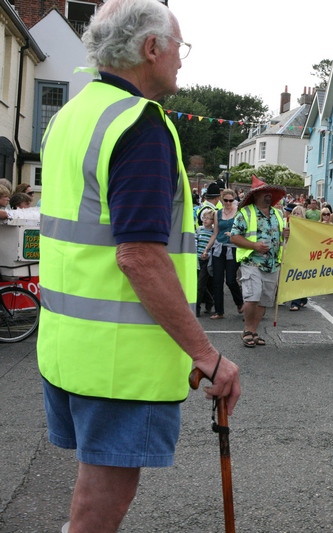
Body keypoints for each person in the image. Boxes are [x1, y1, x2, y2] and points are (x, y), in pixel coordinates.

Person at [36, 1, 241, 531]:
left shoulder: (68, 116)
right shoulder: (140, 124)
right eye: (179, 47)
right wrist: (207, 355)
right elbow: (140, 257)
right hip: (119, 361)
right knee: (101, 505)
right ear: (151, 48)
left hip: (66, 348)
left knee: (92, 490)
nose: (182, 60)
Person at [229, 177, 288, 347]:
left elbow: (282, 238)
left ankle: (254, 331)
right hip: (252, 262)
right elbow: (234, 237)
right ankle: (247, 330)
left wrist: (286, 235)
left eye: (270, 192)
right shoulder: (245, 213)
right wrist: (254, 245)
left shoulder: (278, 214)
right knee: (252, 296)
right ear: (255, 195)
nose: (268, 195)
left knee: (264, 300)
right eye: (264, 192)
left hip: (273, 264)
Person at [208, 188, 244, 320]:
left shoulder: (239, 212)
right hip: (219, 248)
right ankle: (219, 311)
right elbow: (215, 233)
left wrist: (233, 234)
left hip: (233, 248)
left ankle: (240, 303)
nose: (228, 203)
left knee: (230, 280)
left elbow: (243, 229)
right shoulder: (218, 213)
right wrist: (206, 249)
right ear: (221, 200)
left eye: (231, 200)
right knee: (217, 281)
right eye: (226, 200)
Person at [195, 209, 215, 317]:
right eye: (204, 217)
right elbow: (195, 242)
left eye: (208, 218)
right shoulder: (199, 229)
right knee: (199, 284)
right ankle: (210, 300)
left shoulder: (214, 232)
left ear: (213, 221)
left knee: (200, 285)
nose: (205, 220)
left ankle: (197, 308)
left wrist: (208, 254)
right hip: (197, 260)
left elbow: (214, 247)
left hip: (207, 261)